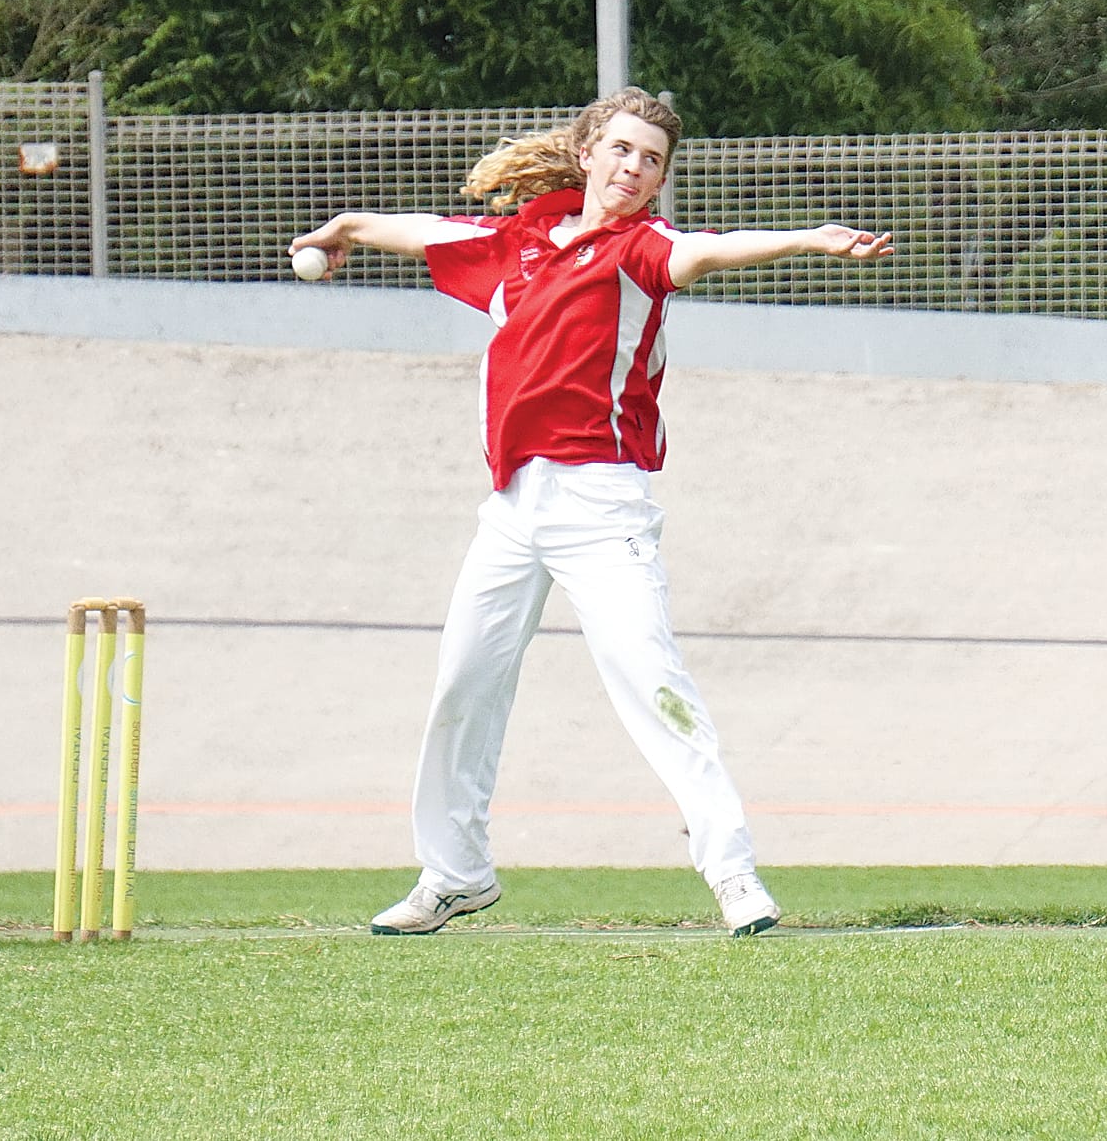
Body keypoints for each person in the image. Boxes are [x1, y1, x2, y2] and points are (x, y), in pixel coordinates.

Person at [288, 86, 893, 936]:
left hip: (601, 503)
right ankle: (454, 874)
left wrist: (806, 239)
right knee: (462, 684)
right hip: (511, 507)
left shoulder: (644, 249)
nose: (633, 167)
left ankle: (733, 874)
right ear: (587, 154)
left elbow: (711, 254)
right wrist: (342, 228)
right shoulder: (517, 240)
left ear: (658, 180)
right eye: (620, 149)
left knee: (652, 683)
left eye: (650, 159)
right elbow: (420, 231)